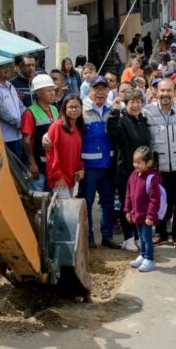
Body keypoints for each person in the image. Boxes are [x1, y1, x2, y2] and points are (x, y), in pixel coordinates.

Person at [144, 78, 176, 249]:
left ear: (174, 92)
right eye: (162, 90)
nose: (165, 94)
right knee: (160, 201)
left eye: (168, 90)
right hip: (159, 168)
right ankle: (161, 233)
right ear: (156, 92)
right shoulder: (147, 112)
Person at [107, 89, 151, 251]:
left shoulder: (142, 120)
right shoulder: (122, 119)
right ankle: (128, 238)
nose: (136, 105)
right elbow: (111, 131)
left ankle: (138, 237)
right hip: (125, 171)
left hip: (142, 172)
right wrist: (114, 110)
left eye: (138, 102)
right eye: (132, 102)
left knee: (139, 206)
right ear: (126, 104)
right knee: (127, 206)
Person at [80, 77, 120, 249]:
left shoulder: (112, 110)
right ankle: (88, 237)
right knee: (86, 204)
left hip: (108, 166)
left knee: (108, 203)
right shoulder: (80, 110)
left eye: (104, 89)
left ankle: (107, 236)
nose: (100, 92)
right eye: (97, 89)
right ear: (89, 90)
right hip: (89, 169)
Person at [125, 146, 162, 273]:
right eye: (134, 162)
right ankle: (143, 255)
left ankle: (149, 259)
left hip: (147, 217)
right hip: (137, 215)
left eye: (139, 162)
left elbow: (154, 200)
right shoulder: (133, 175)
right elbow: (128, 193)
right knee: (140, 237)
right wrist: (128, 210)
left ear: (149, 163)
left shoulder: (152, 178)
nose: (135, 165)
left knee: (147, 238)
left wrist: (150, 216)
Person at [21, 74, 58, 192]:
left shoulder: (54, 109)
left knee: (51, 200)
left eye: (53, 89)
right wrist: (32, 164)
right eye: (48, 90)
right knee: (38, 200)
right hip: (37, 164)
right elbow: (26, 140)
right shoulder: (29, 113)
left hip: (52, 165)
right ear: (38, 93)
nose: (52, 93)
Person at [45, 95, 84, 199]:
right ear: (64, 109)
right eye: (70, 107)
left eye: (77, 106)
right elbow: (51, 153)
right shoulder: (57, 126)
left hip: (71, 178)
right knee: (62, 213)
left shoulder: (77, 129)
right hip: (59, 180)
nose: (74, 109)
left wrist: (80, 169)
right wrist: (57, 176)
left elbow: (76, 153)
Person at [0, 64, 26, 158]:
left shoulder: (9, 84)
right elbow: (2, 113)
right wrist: (21, 124)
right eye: (3, 67)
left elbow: (20, 106)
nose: (7, 69)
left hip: (18, 136)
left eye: (7, 66)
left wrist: (28, 118)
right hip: (5, 139)